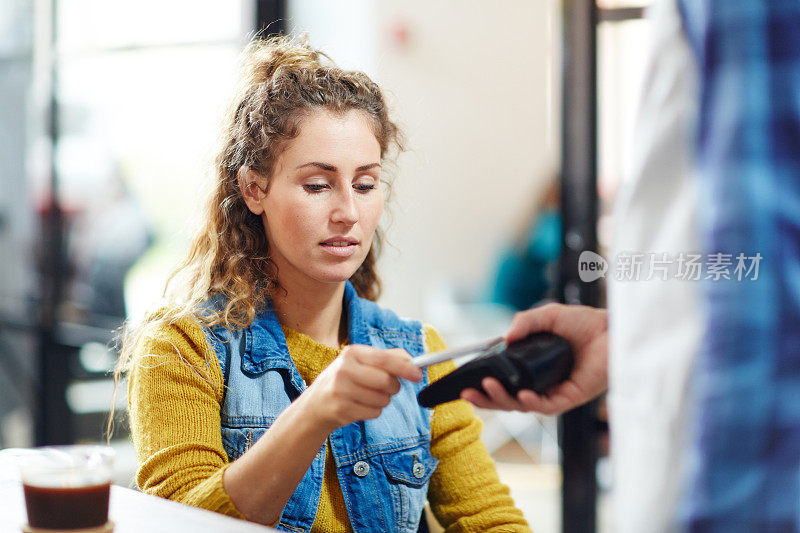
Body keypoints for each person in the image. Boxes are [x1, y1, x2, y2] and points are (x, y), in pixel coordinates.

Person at [118, 35, 530, 532]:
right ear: (255, 189)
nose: (348, 213)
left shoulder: (418, 352)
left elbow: (488, 518)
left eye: (365, 185)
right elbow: (183, 526)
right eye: (317, 185)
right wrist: (312, 414)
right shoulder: (182, 347)